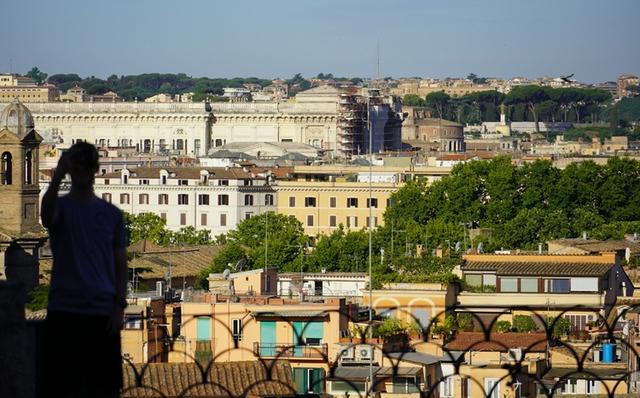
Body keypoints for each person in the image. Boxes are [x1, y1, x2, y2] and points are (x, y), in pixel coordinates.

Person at [41, 142, 128, 398]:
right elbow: (45, 217)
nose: (81, 171)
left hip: (96, 312)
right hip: (67, 309)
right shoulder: (63, 209)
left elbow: (120, 265)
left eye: (85, 166)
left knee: (97, 389)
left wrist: (118, 308)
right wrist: (56, 175)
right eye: (76, 166)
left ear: (94, 170)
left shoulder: (111, 215)